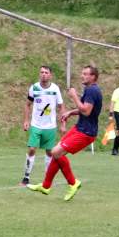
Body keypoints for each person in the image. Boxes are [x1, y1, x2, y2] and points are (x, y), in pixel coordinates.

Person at [27, 65, 102, 201]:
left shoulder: (92, 91)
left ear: (93, 77)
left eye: (85, 74)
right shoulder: (90, 89)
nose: (82, 76)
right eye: (82, 73)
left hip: (86, 133)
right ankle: (46, 186)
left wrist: (73, 96)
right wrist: (71, 112)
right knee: (56, 152)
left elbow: (86, 111)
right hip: (79, 128)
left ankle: (73, 183)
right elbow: (85, 110)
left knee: (56, 153)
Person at [20, 66, 66, 185]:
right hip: (36, 125)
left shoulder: (55, 89)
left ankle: (48, 179)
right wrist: (26, 120)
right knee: (31, 149)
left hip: (50, 126)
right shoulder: (34, 88)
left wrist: (63, 124)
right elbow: (27, 104)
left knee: (50, 152)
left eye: (46, 72)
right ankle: (26, 177)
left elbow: (61, 107)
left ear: (50, 75)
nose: (44, 74)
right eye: (42, 72)